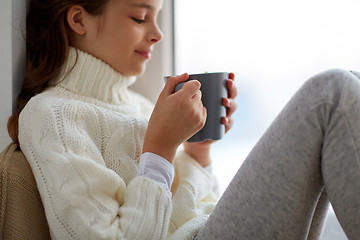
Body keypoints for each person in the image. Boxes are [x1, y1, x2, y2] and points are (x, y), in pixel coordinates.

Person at [6, 0, 360, 239]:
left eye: (158, 17)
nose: (157, 34)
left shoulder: (141, 106)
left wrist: (197, 152)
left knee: (349, 84)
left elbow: (202, 211)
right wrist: (159, 149)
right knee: (333, 93)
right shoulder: (51, 115)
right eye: (140, 18)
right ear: (79, 19)